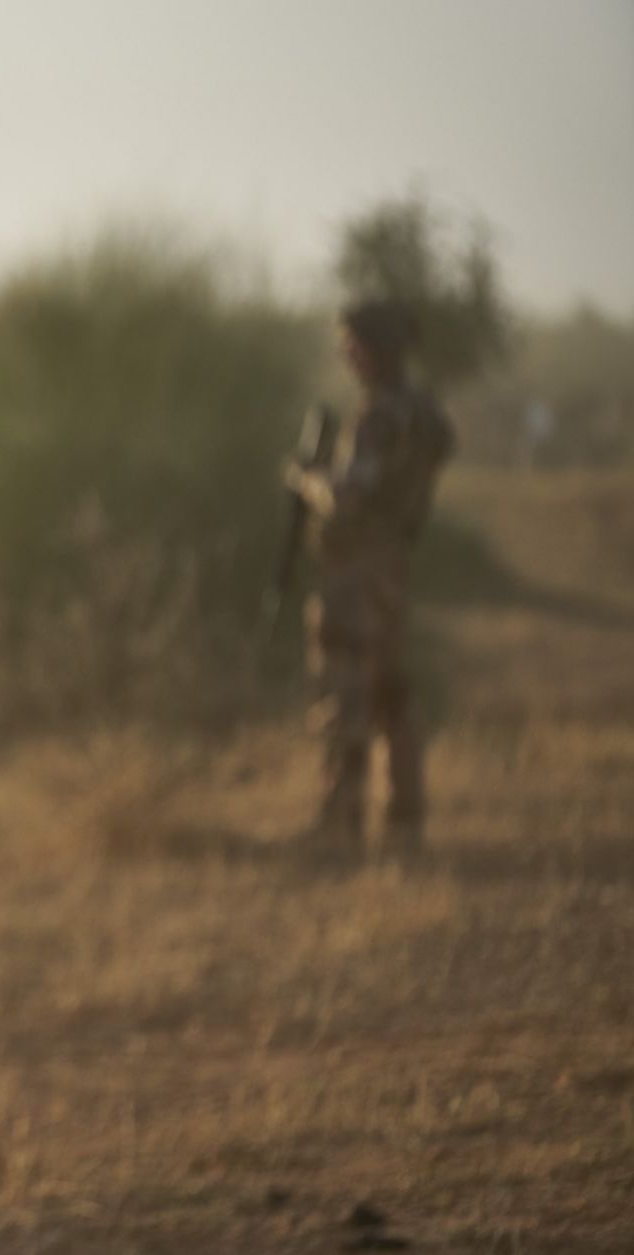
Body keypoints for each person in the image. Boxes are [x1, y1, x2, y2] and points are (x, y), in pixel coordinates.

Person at [283, 298, 453, 863]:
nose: (344, 353)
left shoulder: (383, 414)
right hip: (393, 564)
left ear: (375, 349)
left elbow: (348, 496)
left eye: (352, 343)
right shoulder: (424, 410)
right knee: (389, 689)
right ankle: (406, 817)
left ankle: (341, 818)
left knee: (344, 690)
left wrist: (306, 479)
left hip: (357, 568)